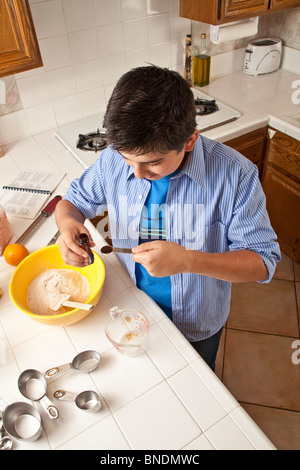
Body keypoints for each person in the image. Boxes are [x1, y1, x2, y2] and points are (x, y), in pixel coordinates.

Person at [55, 65, 281, 371]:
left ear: (189, 141)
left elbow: (262, 262)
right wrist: (67, 224)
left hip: (196, 323)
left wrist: (189, 261)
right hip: (130, 305)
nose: (136, 174)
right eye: (127, 160)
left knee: (198, 393)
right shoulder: (112, 159)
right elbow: (72, 202)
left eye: (153, 163)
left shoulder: (236, 175)